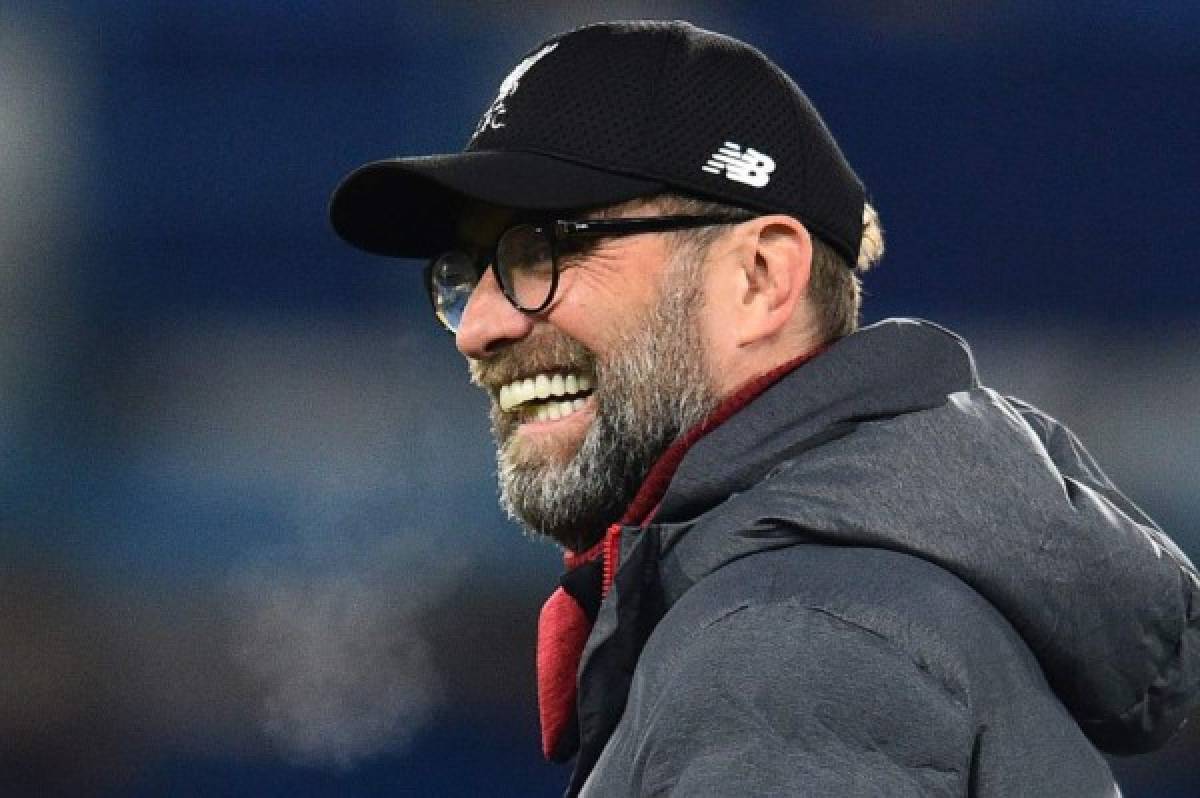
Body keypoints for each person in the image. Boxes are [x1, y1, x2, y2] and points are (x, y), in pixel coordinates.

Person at [330, 19, 1199, 797]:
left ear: (760, 278)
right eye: (467, 273)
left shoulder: (793, 649)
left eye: (545, 247)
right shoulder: (839, 598)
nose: (477, 326)